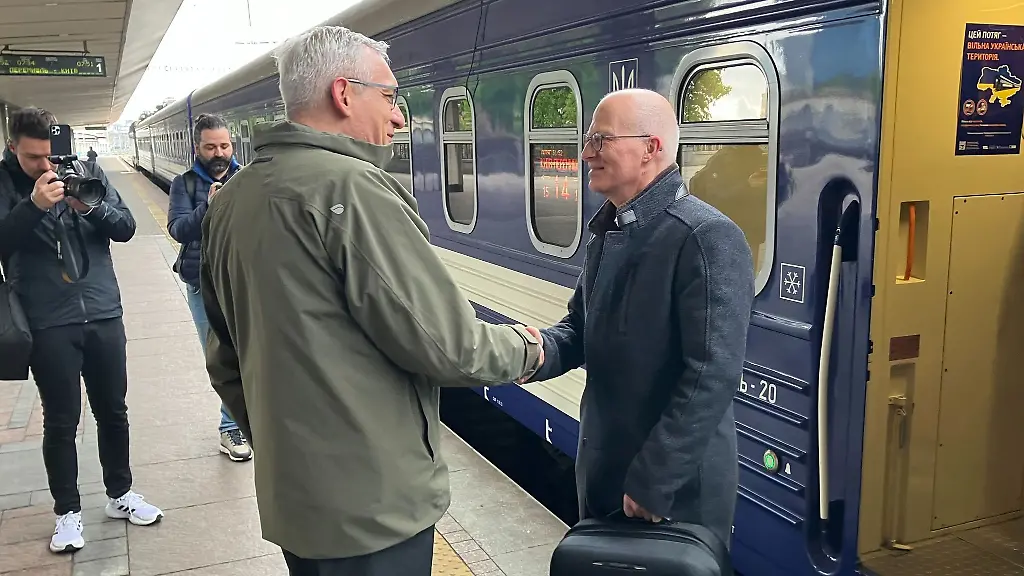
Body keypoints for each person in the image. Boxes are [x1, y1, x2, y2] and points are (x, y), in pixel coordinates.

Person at [198, 25, 544, 575]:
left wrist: (284, 440)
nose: (400, 116)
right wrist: (533, 349)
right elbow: (448, 346)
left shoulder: (234, 196)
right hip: (374, 509)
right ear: (343, 94)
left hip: (299, 502)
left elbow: (223, 356)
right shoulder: (352, 190)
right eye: (389, 95)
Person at [526, 89, 754, 549]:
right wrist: (530, 350)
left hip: (669, 494)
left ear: (651, 147)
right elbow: (579, 330)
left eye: (600, 139)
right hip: (609, 469)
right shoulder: (608, 231)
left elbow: (712, 373)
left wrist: (656, 478)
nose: (587, 152)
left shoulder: (705, 237)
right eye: (589, 139)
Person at [0, 107, 163, 554]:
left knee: (114, 410)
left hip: (103, 310)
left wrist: (89, 205)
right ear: (14, 148)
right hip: (48, 318)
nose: (48, 166)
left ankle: (120, 494)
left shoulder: (86, 170)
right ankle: (67, 512)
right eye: (35, 158)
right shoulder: (4, 182)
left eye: (53, 156)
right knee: (62, 419)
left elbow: (127, 228)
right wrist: (33, 205)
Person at [166, 112, 251, 462]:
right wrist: (208, 207)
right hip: (203, 285)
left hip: (242, 279)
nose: (220, 153)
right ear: (197, 148)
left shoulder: (247, 177)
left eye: (225, 146)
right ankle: (229, 429)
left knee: (251, 355)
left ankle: (249, 422)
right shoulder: (183, 184)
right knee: (221, 357)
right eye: (211, 147)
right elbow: (178, 229)